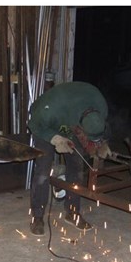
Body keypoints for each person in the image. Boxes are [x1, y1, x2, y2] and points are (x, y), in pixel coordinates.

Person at [27, 81, 111, 235]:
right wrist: (54, 138)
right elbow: (34, 124)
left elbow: (100, 130)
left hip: (72, 122)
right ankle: (37, 217)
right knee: (43, 170)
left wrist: (101, 143)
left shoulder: (101, 108)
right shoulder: (50, 110)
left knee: (77, 167)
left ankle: (72, 212)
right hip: (45, 125)